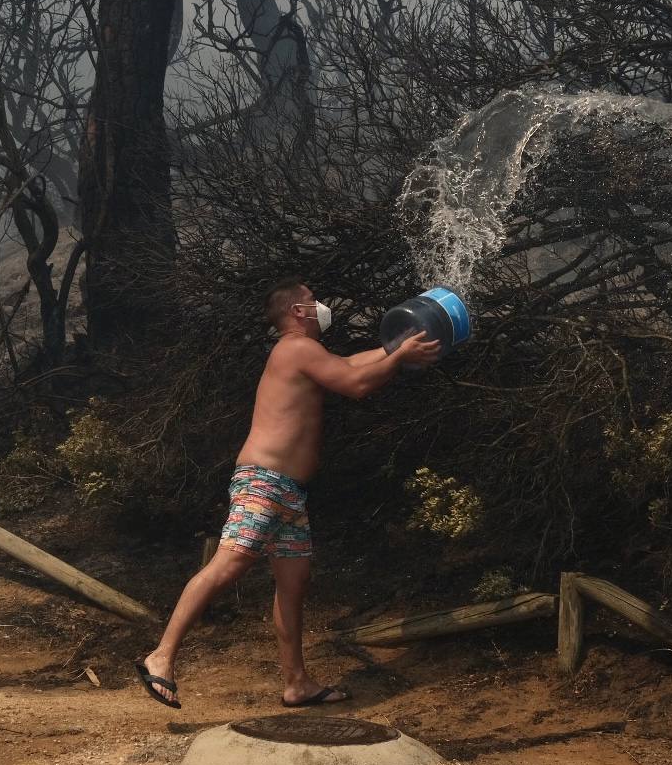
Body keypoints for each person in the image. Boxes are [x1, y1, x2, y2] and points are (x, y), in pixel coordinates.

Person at [133, 278, 441, 709]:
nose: (320, 306)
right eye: (314, 301)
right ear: (297, 311)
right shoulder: (294, 347)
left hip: (288, 491)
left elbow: (352, 365)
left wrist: (400, 345)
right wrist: (401, 357)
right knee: (229, 565)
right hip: (264, 481)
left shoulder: (307, 352)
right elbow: (356, 385)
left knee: (294, 582)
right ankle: (160, 657)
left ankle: (297, 683)